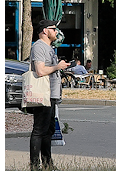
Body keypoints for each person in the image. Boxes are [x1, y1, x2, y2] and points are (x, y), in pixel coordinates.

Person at [26, 17, 70, 171]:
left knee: (47, 131)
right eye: (53, 29)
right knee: (39, 130)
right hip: (42, 94)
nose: (56, 31)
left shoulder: (49, 48)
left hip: (50, 95)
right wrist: (57, 66)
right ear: (45, 31)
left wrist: (60, 67)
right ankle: (35, 165)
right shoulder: (39, 47)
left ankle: (47, 164)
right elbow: (40, 70)